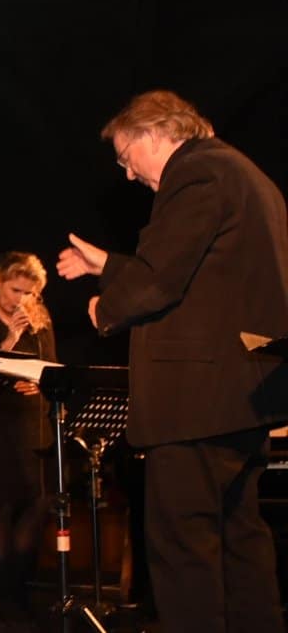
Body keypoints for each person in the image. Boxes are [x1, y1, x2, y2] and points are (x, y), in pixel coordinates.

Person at [57, 90, 288, 632]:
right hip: (242, 396)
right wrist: (111, 263)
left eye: (124, 156)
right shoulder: (249, 178)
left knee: (185, 551)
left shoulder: (197, 172)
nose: (128, 174)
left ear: (154, 133)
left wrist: (102, 307)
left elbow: (161, 280)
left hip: (196, 401)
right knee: (241, 545)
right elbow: (204, 278)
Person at [0, 252, 56, 618]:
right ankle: (9, 590)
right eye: (16, 289)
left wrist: (40, 383)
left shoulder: (40, 317)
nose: (21, 299)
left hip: (33, 419)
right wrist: (12, 337)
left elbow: (51, 361)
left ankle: (18, 580)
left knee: (39, 501)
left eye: (29, 293)